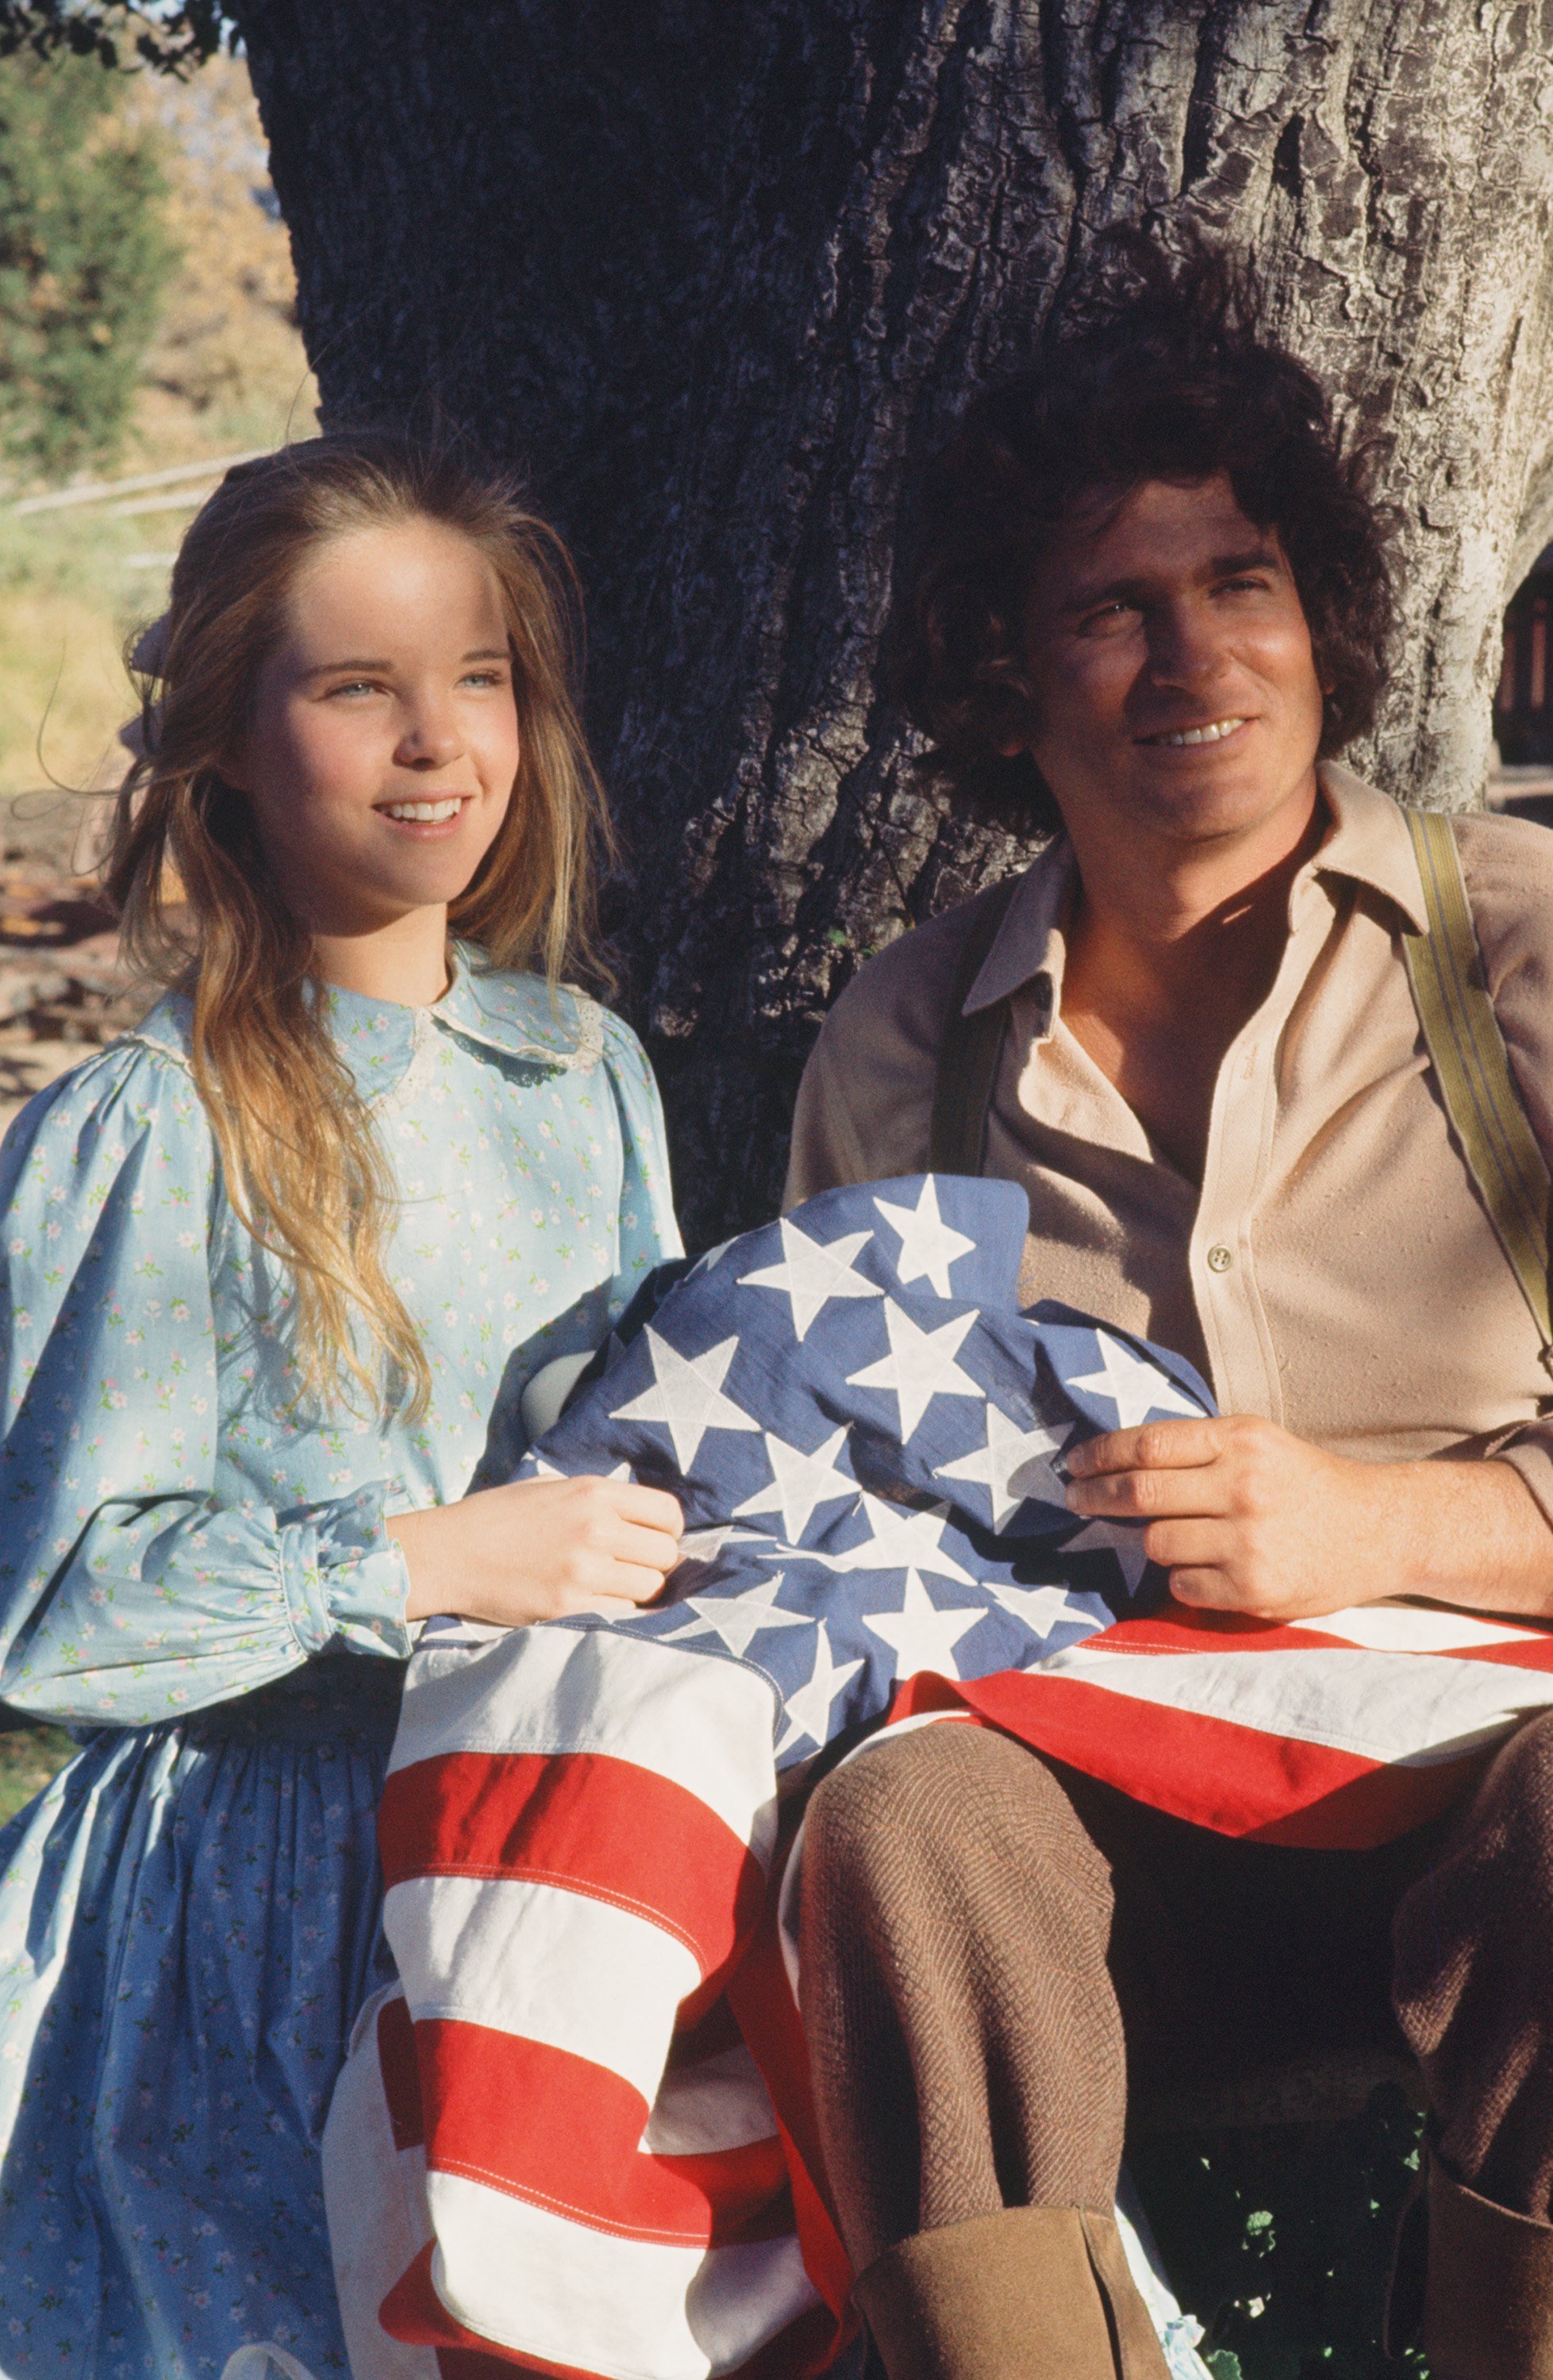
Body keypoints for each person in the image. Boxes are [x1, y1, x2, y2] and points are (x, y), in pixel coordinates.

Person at [784, 237, 1553, 2380]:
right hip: (1107, 1827)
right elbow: (836, 1515)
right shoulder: (909, 1036)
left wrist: (1385, 1526)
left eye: (1234, 583)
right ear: (1000, 680)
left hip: (1496, 1797)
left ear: (1315, 624)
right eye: (1106, 606)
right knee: (899, 1818)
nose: (1186, 654)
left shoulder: (1502, 952)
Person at [0, 433, 685, 2376]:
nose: (435, 744)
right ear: (226, 730)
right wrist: (414, 1559)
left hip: (550, 1847)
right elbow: (51, 1612)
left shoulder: (585, 1070)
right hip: (257, 1901)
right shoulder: (154, 1126)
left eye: (479, 679)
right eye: (355, 687)